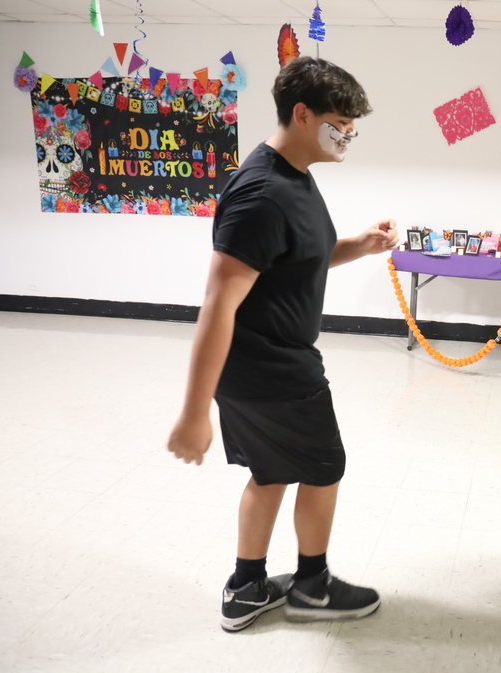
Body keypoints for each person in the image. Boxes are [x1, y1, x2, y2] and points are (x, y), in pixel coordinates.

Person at [167, 56, 399, 632]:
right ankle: (312, 588)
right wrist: (195, 414)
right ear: (302, 114)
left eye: (352, 126)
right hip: (272, 368)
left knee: (270, 472)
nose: (347, 135)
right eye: (339, 123)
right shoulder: (262, 193)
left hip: (260, 364)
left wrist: (358, 246)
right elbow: (218, 304)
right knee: (324, 468)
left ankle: (247, 587)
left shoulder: (294, 174)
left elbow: (297, 255)